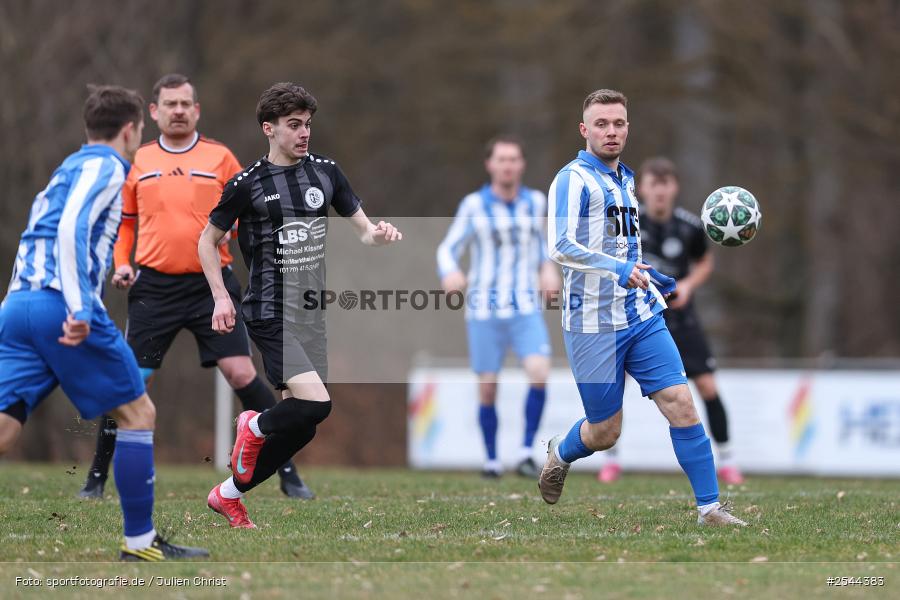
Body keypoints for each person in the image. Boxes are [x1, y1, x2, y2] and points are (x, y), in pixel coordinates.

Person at [77, 74, 314, 501]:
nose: (179, 110)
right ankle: (95, 478)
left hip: (212, 285)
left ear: (197, 109)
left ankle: (286, 469)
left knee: (242, 372)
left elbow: (253, 211)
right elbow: (126, 222)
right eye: (170, 104)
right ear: (154, 112)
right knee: (134, 381)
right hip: (154, 288)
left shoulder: (221, 158)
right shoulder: (138, 160)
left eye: (186, 103)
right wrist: (121, 264)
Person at [0, 85, 209, 560]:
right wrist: (76, 307)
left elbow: (39, 231)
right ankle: (140, 544)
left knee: (6, 430)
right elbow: (73, 228)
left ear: (86, 127)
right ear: (133, 129)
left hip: (19, 303)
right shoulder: (108, 166)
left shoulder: (65, 169)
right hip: (61, 306)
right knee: (139, 414)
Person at [538, 89, 746, 526]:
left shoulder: (626, 180)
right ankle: (561, 451)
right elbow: (558, 246)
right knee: (605, 431)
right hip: (590, 323)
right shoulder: (572, 179)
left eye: (618, 123)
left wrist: (647, 273)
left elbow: (622, 249)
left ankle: (709, 508)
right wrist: (616, 266)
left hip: (640, 314)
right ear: (584, 130)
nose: (610, 131)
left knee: (682, 403)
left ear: (628, 127)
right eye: (601, 124)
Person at [198, 82, 402, 528]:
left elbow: (363, 229)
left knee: (303, 426)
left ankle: (227, 495)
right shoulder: (246, 184)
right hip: (270, 311)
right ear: (269, 129)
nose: (304, 133)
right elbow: (207, 241)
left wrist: (378, 234)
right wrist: (219, 296)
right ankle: (252, 426)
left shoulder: (327, 173)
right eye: (294, 125)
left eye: (307, 124)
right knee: (317, 406)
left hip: (311, 312)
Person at [596, 157, 745, 485]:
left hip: (681, 318)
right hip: (637, 317)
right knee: (615, 387)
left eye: (665, 184)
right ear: (642, 189)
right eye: (653, 184)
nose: (659, 192)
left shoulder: (690, 226)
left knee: (706, 386)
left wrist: (689, 285)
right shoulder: (628, 225)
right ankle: (611, 460)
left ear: (674, 188)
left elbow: (705, 262)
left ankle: (729, 460)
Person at [437, 135, 560, 478]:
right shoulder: (474, 205)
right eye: (501, 159)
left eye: (514, 159)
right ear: (490, 165)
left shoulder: (535, 203)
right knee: (488, 387)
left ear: (521, 165)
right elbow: (447, 248)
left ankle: (524, 452)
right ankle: (491, 459)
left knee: (539, 373)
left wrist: (549, 271)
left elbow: (543, 249)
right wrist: (450, 272)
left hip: (524, 307)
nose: (508, 165)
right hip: (484, 309)